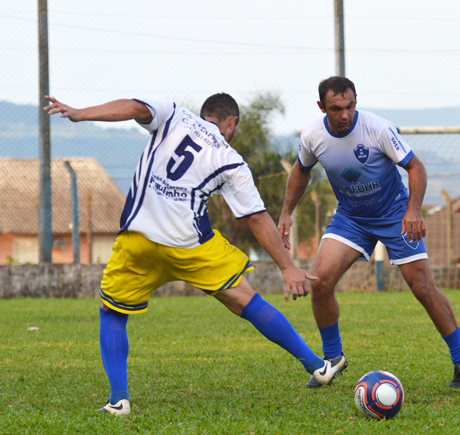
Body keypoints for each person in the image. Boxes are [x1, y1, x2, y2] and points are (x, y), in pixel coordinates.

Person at [44, 94, 346, 416]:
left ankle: (118, 400)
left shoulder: (173, 114)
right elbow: (256, 217)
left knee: (112, 312)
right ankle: (317, 366)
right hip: (190, 245)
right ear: (232, 123)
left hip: (138, 239)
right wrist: (287, 268)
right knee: (246, 299)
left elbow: (135, 107)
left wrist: (80, 113)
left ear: (204, 114)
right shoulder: (230, 159)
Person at [277, 76, 460, 389]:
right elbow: (301, 170)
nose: (345, 115)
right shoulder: (313, 135)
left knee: (422, 286)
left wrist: (413, 210)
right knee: (321, 281)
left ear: (356, 101)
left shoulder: (378, 128)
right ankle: (333, 359)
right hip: (351, 218)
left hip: (394, 214)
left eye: (350, 106)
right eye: (336, 109)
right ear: (322, 107)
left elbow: (416, 167)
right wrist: (286, 212)